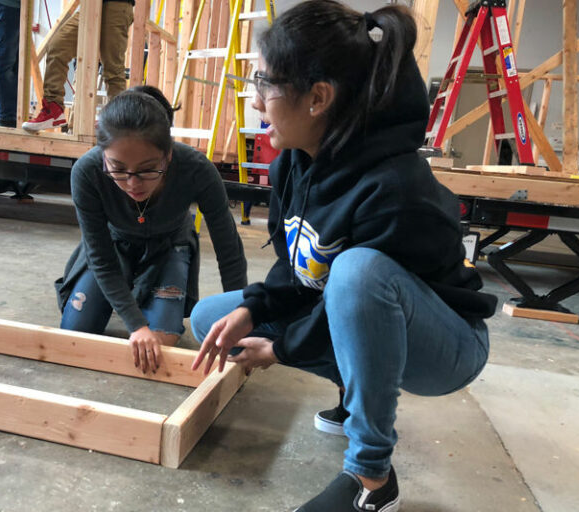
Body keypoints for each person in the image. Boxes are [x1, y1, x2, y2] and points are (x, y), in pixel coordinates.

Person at [189, 2, 497, 511]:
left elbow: (356, 292)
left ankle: (372, 479)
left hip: (447, 347)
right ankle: (351, 394)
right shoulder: (295, 159)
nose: (257, 98)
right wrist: (254, 310)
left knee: (357, 273)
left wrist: (283, 348)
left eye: (265, 82)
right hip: (359, 311)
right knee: (212, 318)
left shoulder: (394, 188)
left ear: (318, 98)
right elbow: (296, 268)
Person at [55, 86, 247, 373]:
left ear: (168, 156)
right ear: (102, 155)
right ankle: (131, 303)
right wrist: (136, 325)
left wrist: (240, 316)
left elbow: (228, 250)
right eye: (118, 169)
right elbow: (102, 259)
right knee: (76, 334)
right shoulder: (87, 172)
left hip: (169, 246)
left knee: (161, 344)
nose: (133, 183)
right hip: (114, 245)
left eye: (147, 170)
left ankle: (149, 302)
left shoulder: (196, 169)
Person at [22, 0, 134, 132]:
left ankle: (119, 124)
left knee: (113, 70)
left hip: (116, 5)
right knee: (57, 46)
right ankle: (53, 109)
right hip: (90, 6)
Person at [0, 0, 20, 128]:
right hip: (8, 3)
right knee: (5, 58)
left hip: (18, 5)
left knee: (16, 62)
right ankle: (6, 117)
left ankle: (11, 114)